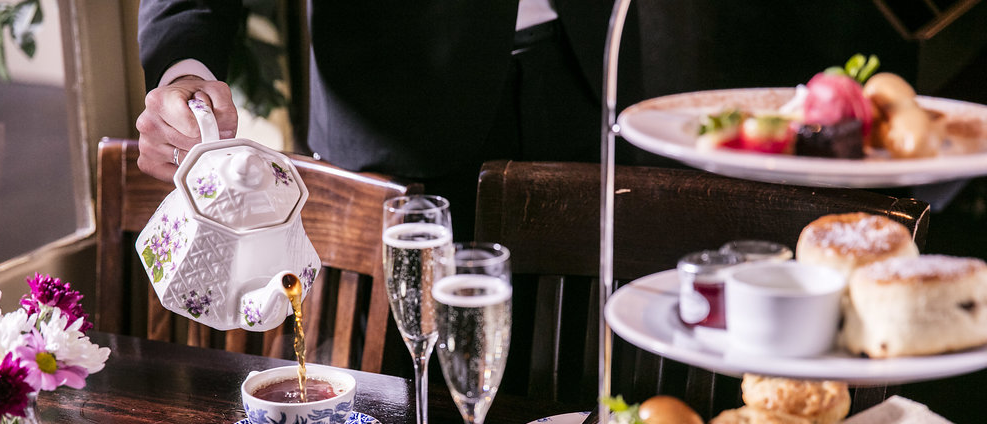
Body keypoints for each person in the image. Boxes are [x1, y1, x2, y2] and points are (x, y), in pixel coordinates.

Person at [136, 0, 647, 238]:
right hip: (397, 120)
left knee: (598, 389)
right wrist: (183, 72)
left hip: (594, 73)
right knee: (411, 406)